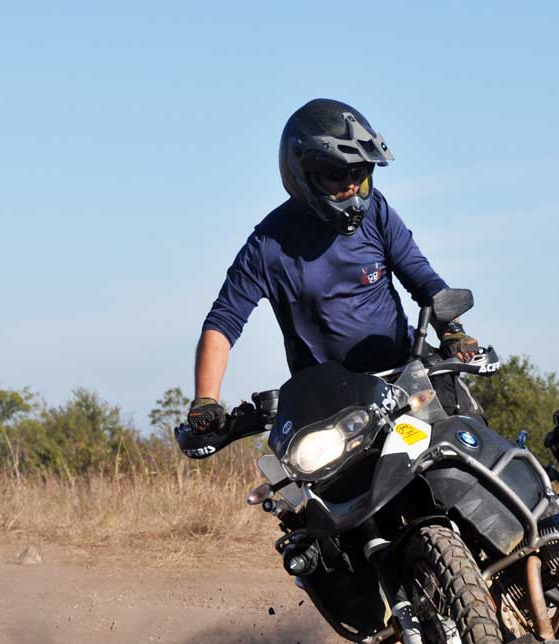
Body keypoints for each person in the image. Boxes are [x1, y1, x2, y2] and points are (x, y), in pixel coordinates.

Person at [187, 98, 480, 434]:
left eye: (359, 173)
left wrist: (453, 331)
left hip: (407, 380)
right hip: (330, 407)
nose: (352, 185)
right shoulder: (267, 246)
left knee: (468, 455)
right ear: (303, 174)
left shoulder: (377, 213)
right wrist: (205, 402)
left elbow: (424, 280)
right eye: (337, 175)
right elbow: (222, 324)